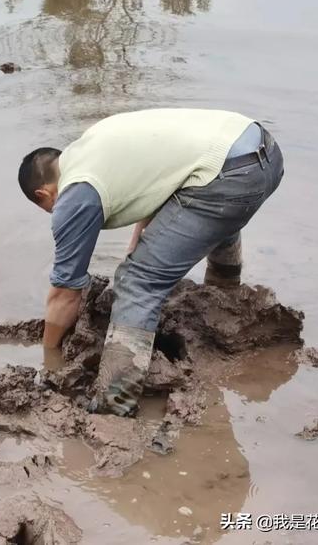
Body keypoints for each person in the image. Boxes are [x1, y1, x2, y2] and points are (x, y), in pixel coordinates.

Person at [17, 108, 284, 417]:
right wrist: (137, 249)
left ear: (44, 193)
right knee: (215, 216)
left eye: (49, 207)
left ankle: (115, 404)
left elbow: (65, 294)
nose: (56, 211)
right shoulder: (94, 143)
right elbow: (158, 187)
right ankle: (225, 298)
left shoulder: (74, 194)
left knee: (135, 282)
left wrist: (50, 356)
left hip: (229, 177)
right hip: (262, 152)